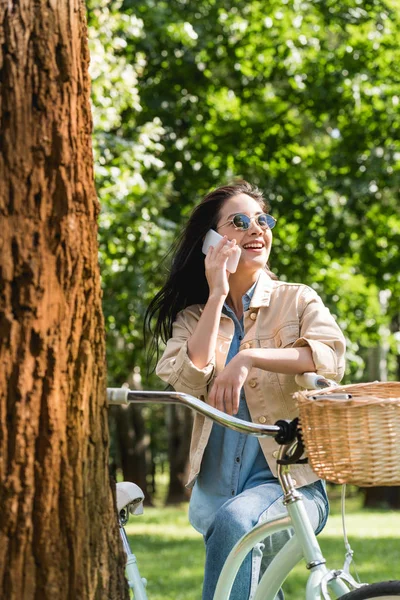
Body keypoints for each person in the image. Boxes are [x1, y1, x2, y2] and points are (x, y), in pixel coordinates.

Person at [145, 180, 346, 600]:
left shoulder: (298, 300)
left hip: (291, 488)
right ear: (213, 242)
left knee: (237, 527)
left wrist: (248, 358)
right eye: (239, 222)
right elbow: (188, 378)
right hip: (218, 497)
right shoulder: (193, 318)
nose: (257, 229)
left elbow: (330, 356)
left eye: (262, 220)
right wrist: (217, 292)